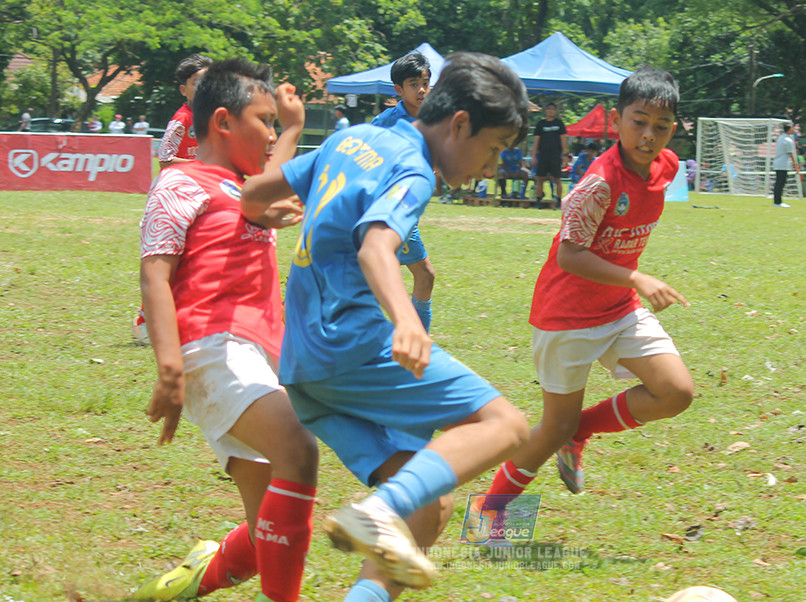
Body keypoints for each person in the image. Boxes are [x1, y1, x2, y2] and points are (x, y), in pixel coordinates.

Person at [240, 52, 531, 601]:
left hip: (302, 369)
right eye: (493, 148)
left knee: (431, 505)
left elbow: (255, 193)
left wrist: (267, 218)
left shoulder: (352, 141)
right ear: (460, 124)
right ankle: (378, 509)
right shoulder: (414, 169)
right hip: (353, 348)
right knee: (507, 424)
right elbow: (378, 246)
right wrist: (406, 321)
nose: (491, 167)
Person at [133, 60, 318, 602]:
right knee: (299, 453)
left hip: (260, 356)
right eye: (261, 122)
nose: (268, 136)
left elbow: (265, 180)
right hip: (213, 350)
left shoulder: (242, 187)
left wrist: (290, 130)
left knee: (270, 532)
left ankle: (190, 583)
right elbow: (154, 275)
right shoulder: (179, 183)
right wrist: (170, 368)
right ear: (222, 122)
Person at [480, 66, 693, 526]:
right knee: (550, 426)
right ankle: (489, 523)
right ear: (615, 122)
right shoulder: (598, 183)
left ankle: (579, 432)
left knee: (676, 392)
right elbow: (570, 256)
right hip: (566, 316)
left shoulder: (668, 167)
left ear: (673, 130)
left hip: (617, 309)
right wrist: (636, 278)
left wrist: (628, 285)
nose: (648, 135)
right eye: (638, 121)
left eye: (660, 126)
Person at [370, 51, 436, 333]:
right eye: (413, 84)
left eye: (425, 82)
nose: (421, 89)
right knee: (421, 274)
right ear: (398, 89)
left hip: (407, 211)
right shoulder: (386, 121)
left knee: (423, 276)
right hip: (387, 209)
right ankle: (415, 339)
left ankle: (412, 337)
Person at [158, 54, 213, 167]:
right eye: (196, 83)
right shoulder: (182, 119)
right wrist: (201, 165)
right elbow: (165, 160)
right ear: (183, 90)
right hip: (178, 182)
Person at [532, 102, 569, 208]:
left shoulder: (559, 123)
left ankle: (558, 200)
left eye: (553, 109)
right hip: (543, 155)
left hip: (555, 156)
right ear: (545, 111)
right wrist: (534, 155)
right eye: (549, 109)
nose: (551, 111)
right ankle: (538, 200)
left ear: (556, 111)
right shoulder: (540, 124)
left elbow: (563, 139)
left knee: (557, 179)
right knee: (540, 179)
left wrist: (565, 155)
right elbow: (536, 141)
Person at [772, 122, 800, 207]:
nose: (793, 130)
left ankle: (777, 201)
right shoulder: (788, 140)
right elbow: (791, 154)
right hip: (783, 164)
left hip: (778, 163)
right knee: (780, 183)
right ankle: (778, 202)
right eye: (792, 128)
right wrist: (796, 166)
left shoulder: (781, 137)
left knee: (779, 183)